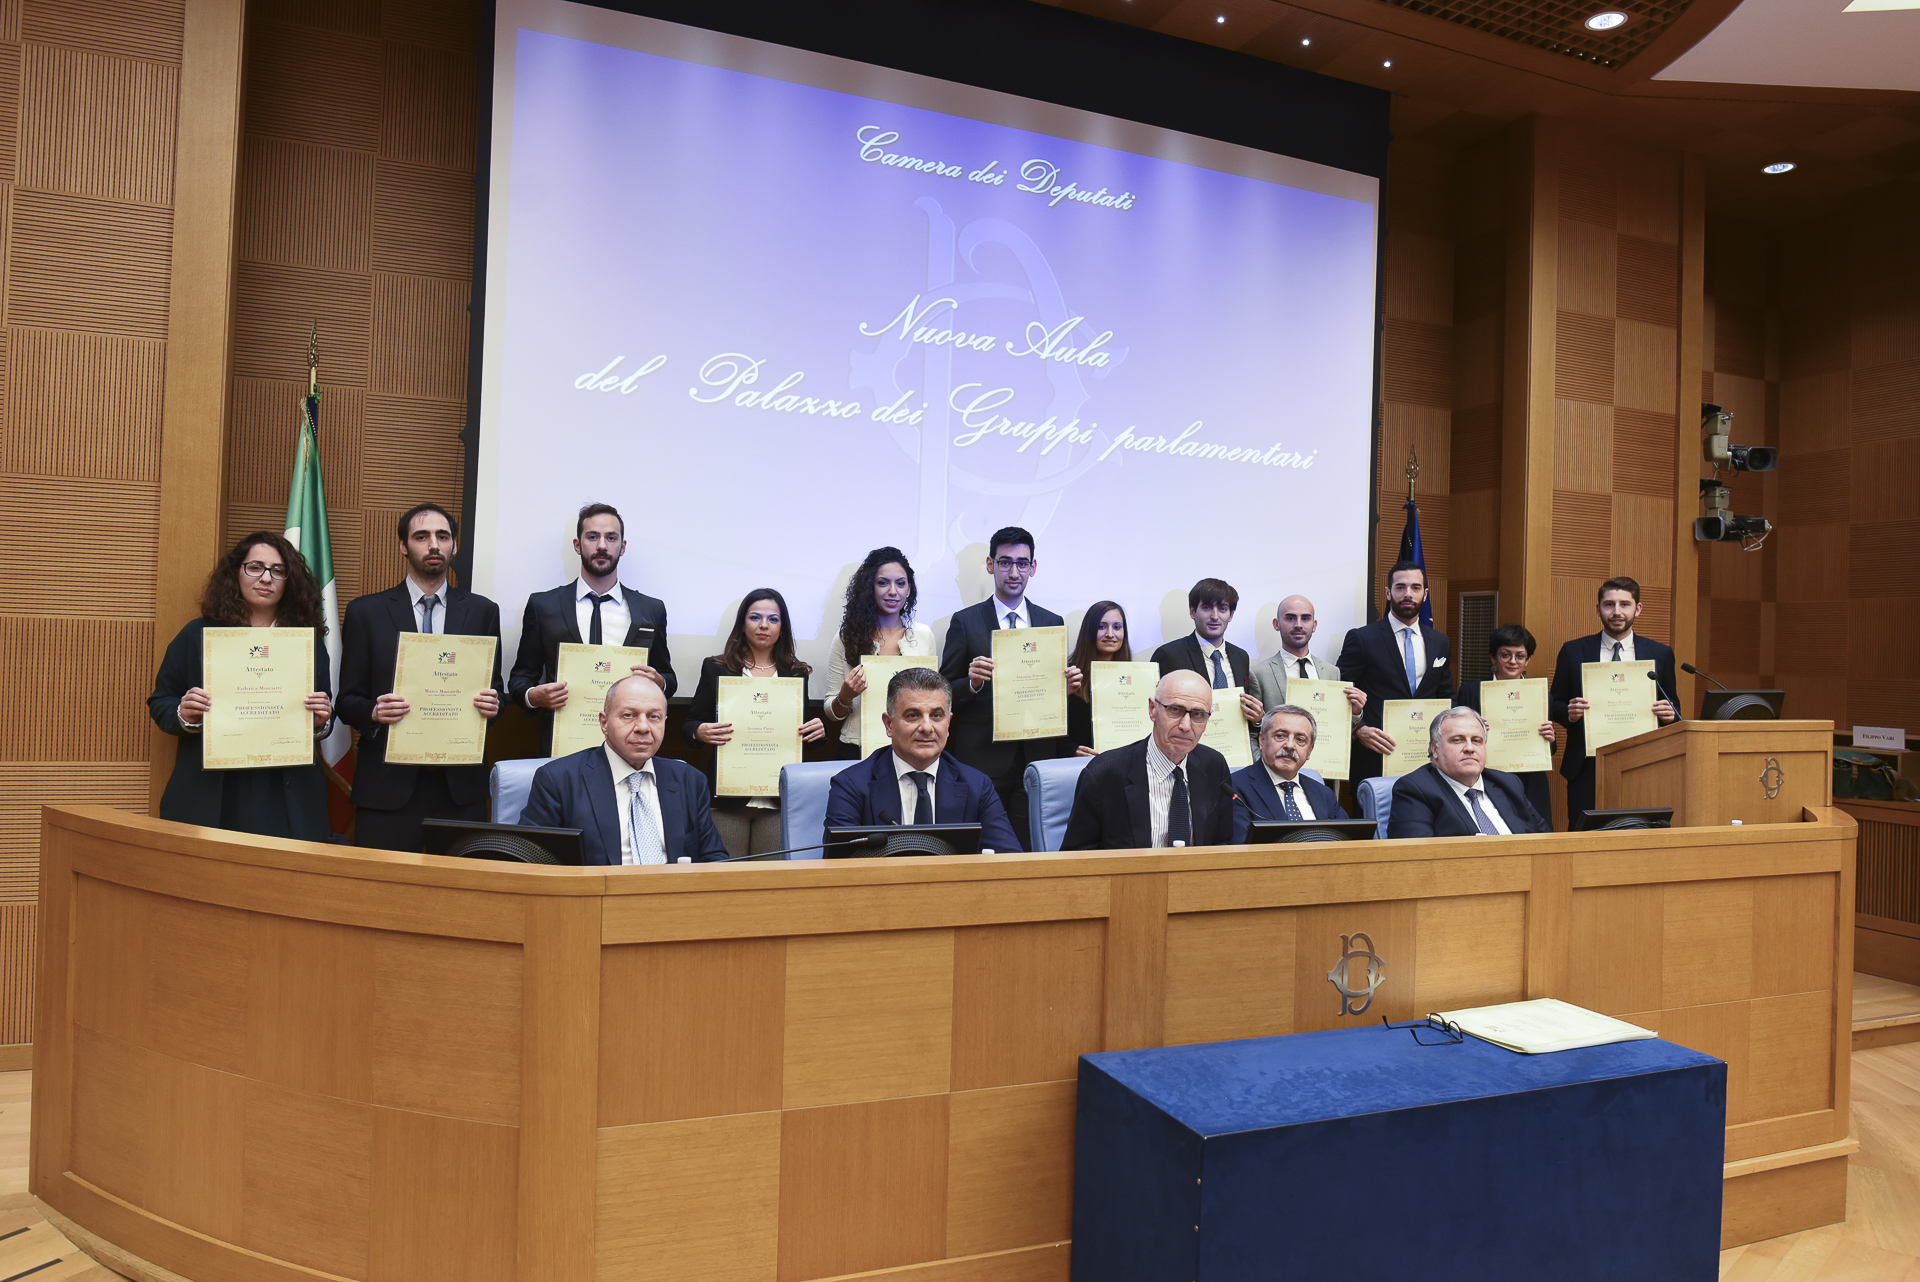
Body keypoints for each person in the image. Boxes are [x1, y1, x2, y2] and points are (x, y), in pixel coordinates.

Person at [338, 502, 503, 852]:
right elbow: (347, 700)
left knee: (458, 894)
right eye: (421, 536)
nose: (433, 545)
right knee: (384, 893)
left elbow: (496, 693)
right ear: (403, 546)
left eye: (443, 536)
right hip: (387, 786)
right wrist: (373, 712)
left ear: (454, 547)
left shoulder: (483, 612)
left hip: (460, 789)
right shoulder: (365, 612)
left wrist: (494, 705)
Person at [149, 532, 335, 842]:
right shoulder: (198, 634)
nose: (266, 578)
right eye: (255, 567)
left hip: (284, 790)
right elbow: (161, 701)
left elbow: (323, 709)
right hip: (216, 789)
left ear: (290, 580)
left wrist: (319, 721)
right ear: (236, 572)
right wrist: (184, 713)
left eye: (278, 570)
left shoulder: (308, 642)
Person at [939, 526, 1083, 849]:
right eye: (1005, 562)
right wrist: (972, 684)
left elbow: (1050, 689)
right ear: (991, 565)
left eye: (1022, 563)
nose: (1013, 572)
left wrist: (1067, 689)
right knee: (978, 848)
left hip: (1038, 757)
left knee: (1029, 849)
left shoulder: (1051, 622)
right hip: (983, 760)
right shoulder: (965, 622)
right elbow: (943, 691)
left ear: (1033, 567)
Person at [508, 503, 674, 754]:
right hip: (564, 746)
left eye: (611, 538)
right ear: (577, 545)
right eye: (592, 537)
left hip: (631, 745)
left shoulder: (651, 609)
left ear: (623, 546)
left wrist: (659, 682)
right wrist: (534, 696)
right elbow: (520, 677)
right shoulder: (543, 606)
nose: (602, 546)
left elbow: (668, 678)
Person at [519, 674, 728, 864]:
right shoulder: (558, 780)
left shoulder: (689, 781)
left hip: (673, 900)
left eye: (654, 717)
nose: (643, 727)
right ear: (604, 723)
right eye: (629, 715)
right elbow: (532, 860)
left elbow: (714, 859)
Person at [683, 589, 827, 857]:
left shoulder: (796, 673)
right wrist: (699, 732)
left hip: (778, 802)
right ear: (742, 624)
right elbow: (689, 724)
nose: (764, 625)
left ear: (782, 628)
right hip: (727, 801)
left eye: (773, 619)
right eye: (755, 617)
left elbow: (801, 736)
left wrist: (819, 732)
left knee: (768, 884)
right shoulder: (717, 668)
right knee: (725, 881)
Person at [822, 666, 1021, 853]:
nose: (927, 727)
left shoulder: (977, 786)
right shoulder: (851, 786)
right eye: (913, 715)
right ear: (889, 724)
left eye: (936, 715)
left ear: (948, 723)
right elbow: (838, 870)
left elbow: (1010, 861)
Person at [1550, 577, 1680, 826]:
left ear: (1637, 609)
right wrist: (1570, 712)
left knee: (1638, 834)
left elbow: (1673, 704)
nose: (1617, 612)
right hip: (1587, 764)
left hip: (1642, 763)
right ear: (1598, 608)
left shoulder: (1660, 653)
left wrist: (1669, 714)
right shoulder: (1573, 651)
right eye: (1609, 604)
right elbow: (1555, 703)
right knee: (1585, 836)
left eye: (1625, 604)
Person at [1062, 671, 1235, 851]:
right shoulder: (1104, 774)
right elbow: (1076, 859)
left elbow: (1222, 845)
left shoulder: (1214, 766)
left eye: (1198, 714)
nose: (1185, 726)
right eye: (1175, 710)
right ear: (1152, 709)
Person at [1337, 560, 1454, 781]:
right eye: (1400, 587)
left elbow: (1446, 696)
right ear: (1388, 593)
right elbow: (1340, 692)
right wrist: (1358, 730)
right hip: (1375, 756)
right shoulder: (1362, 638)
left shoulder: (1440, 642)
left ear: (1425, 594)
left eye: (1415, 588)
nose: (1408, 594)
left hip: (1426, 759)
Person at [823, 547, 935, 761]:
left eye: (900, 583)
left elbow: (930, 698)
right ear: (869, 588)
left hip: (910, 749)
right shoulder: (846, 637)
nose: (893, 591)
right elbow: (831, 712)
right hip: (856, 748)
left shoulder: (923, 636)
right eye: (883, 583)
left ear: (909, 589)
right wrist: (845, 696)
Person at [1386, 707, 1550, 838]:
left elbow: (1547, 840)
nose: (1469, 748)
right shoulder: (1414, 790)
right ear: (1434, 749)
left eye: (1477, 741)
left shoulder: (1508, 784)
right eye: (1457, 740)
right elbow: (1417, 859)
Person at [1458, 623, 1556, 830]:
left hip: (1530, 780)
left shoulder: (1540, 694)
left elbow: (1548, 751)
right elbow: (1455, 738)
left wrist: (1549, 738)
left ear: (1528, 660)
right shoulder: (1471, 691)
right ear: (1493, 658)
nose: (1513, 661)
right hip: (1485, 778)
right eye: (1505, 655)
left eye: (1520, 656)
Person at [1151, 578, 1262, 729]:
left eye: (1222, 609)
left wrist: (1256, 719)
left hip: (1234, 746)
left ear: (1231, 615)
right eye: (1207, 608)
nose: (1215, 616)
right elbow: (1155, 711)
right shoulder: (1169, 655)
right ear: (1192, 611)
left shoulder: (1241, 657)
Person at [1246, 594, 1365, 734]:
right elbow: (1253, 733)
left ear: (1314, 625)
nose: (1298, 625)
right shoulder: (1258, 674)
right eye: (1290, 618)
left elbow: (1336, 732)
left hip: (1324, 755)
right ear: (1276, 624)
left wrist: (1356, 713)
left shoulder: (1332, 672)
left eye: (1305, 618)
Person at [1231, 704, 1348, 842]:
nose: (1290, 745)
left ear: (1310, 751)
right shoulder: (1235, 787)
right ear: (1262, 741)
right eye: (1280, 736)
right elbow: (1241, 848)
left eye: (1300, 740)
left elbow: (1350, 842)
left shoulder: (1324, 794)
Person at [1066, 600, 1130, 756]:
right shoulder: (1069, 675)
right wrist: (1070, 749)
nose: (1110, 634)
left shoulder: (1134, 677)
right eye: (1101, 627)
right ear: (1089, 631)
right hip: (1080, 766)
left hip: (1122, 763)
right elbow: (1048, 724)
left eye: (1117, 627)